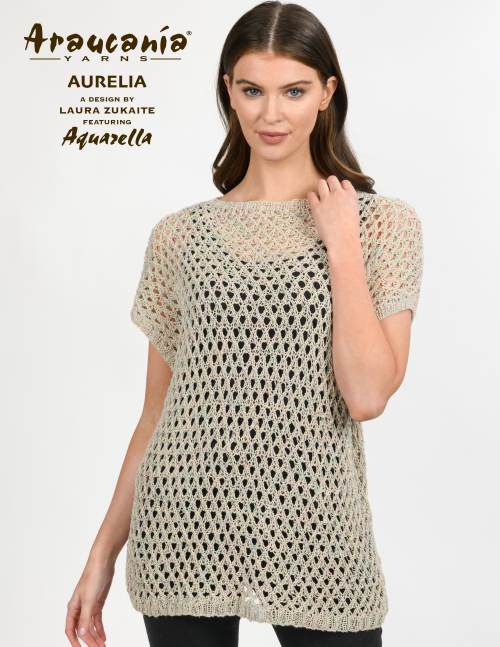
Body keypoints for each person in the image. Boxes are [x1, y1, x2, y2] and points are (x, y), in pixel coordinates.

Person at [65, 2, 424, 646]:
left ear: (327, 92)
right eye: (253, 91)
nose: (271, 114)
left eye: (294, 91)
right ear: (229, 91)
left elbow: (368, 395)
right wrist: (101, 557)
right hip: (181, 531)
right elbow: (156, 415)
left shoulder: (382, 224)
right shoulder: (181, 236)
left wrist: (341, 244)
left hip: (318, 535)